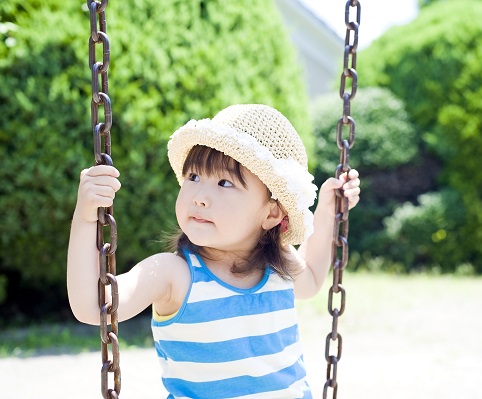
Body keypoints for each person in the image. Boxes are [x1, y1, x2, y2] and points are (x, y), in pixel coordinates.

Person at [67, 104, 360, 399]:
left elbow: (310, 277)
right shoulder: (173, 274)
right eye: (193, 177)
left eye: (224, 183)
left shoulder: (278, 264)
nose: (200, 197)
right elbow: (95, 306)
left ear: (272, 214)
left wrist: (328, 211)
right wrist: (85, 218)